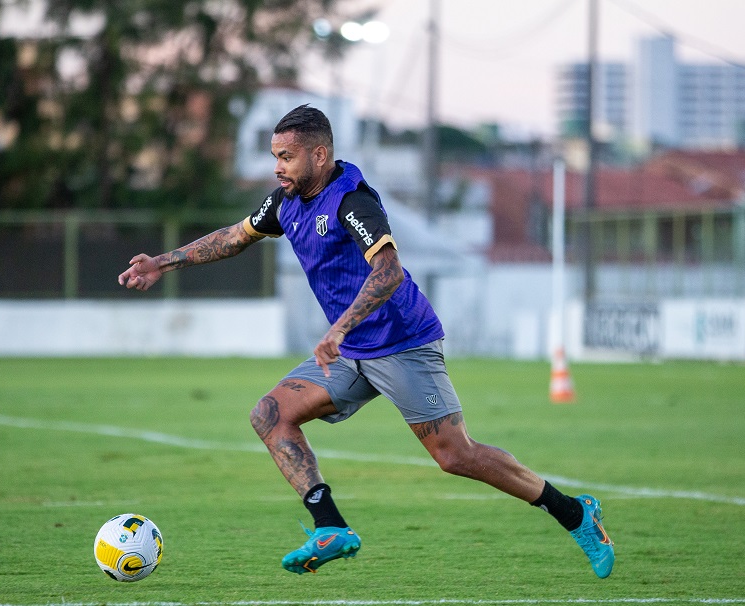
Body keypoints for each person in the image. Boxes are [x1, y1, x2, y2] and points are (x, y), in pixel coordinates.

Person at [118, 105, 615, 578]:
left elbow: (389, 270)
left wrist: (338, 328)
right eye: (274, 157)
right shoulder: (286, 201)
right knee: (270, 415)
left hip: (400, 342)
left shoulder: (353, 200)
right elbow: (235, 235)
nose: (277, 168)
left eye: (285, 157)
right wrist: (162, 262)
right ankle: (331, 527)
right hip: (350, 352)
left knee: (455, 456)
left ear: (319, 155)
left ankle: (574, 512)